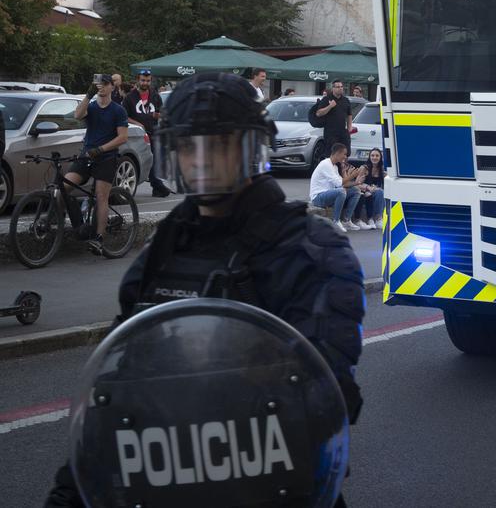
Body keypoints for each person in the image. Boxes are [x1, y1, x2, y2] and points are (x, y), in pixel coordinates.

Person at [44, 72, 365, 508]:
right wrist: (70, 491)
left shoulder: (309, 248)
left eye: (217, 144)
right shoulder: (168, 244)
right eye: (187, 147)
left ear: (249, 148)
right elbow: (117, 385)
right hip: (166, 478)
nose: (200, 160)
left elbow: (329, 396)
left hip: (269, 484)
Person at [67, 74, 129, 254]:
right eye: (98, 85)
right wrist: (88, 95)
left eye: (104, 84)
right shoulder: (92, 107)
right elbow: (77, 115)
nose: (100, 87)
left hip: (106, 157)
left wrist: (101, 149)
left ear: (112, 87)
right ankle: (80, 228)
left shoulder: (118, 110)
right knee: (62, 188)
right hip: (86, 155)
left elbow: (122, 137)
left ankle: (99, 238)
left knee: (102, 196)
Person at [122, 69, 171, 197]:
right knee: (145, 160)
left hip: (153, 132)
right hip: (137, 135)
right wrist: (136, 123)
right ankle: (157, 184)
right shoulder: (130, 97)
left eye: (148, 81)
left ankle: (156, 185)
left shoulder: (155, 96)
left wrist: (157, 115)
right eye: (143, 80)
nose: (145, 83)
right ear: (138, 80)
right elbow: (123, 116)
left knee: (154, 159)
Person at [310, 142, 367, 231]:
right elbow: (339, 183)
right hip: (318, 198)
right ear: (337, 153)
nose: (345, 157)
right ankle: (335, 221)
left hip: (329, 194)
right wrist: (352, 175)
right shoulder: (325, 164)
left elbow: (343, 184)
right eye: (344, 154)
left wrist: (356, 183)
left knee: (356, 191)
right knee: (341, 191)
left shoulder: (335, 167)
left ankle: (346, 221)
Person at [312, 79, 353, 152]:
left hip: (343, 132)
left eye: (341, 86)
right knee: (332, 153)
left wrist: (349, 128)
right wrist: (330, 106)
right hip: (331, 133)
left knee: (345, 153)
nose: (340, 88)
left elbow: (349, 114)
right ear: (333, 88)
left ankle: (343, 163)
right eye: (337, 87)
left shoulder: (346, 100)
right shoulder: (326, 99)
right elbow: (318, 113)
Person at [353, 146, 385, 229]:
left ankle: (378, 219)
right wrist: (368, 187)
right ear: (369, 157)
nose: (374, 157)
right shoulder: (364, 168)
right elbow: (357, 183)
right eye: (372, 155)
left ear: (380, 157)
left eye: (377, 156)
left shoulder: (381, 169)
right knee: (378, 192)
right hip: (364, 191)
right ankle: (372, 219)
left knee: (381, 192)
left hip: (376, 192)